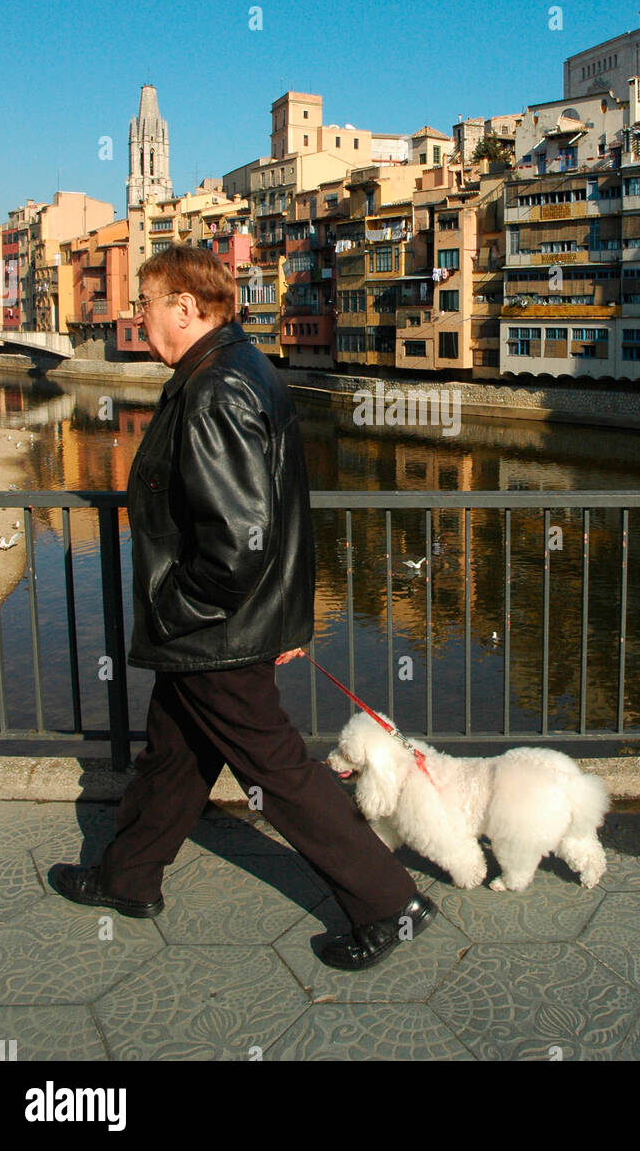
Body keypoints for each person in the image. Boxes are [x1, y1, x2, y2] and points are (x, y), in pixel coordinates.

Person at [51, 244, 435, 970]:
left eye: (147, 303)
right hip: (220, 628)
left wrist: (172, 608)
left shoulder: (215, 388)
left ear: (187, 308)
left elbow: (238, 543)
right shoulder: (238, 367)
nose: (139, 316)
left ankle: (392, 903)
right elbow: (282, 512)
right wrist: (280, 616)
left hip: (212, 633)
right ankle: (127, 880)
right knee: (173, 757)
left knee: (279, 773)